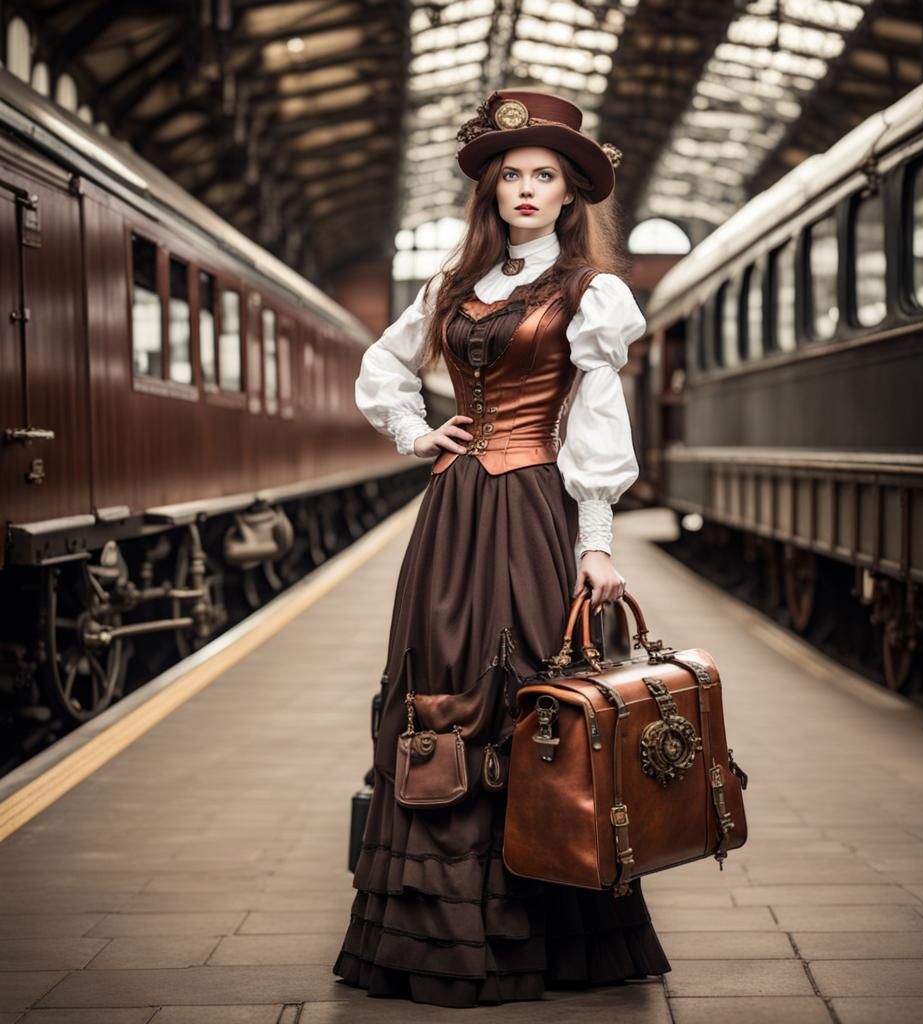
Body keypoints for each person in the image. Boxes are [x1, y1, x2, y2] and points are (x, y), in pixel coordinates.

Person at [333, 88, 670, 1007]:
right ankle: (437, 932)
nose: (526, 189)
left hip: (532, 507)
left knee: (531, 687)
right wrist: (417, 433)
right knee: (436, 686)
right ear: (491, 193)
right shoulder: (449, 286)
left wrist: (595, 542)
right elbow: (382, 367)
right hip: (451, 517)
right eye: (511, 175)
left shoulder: (590, 293)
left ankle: (544, 927)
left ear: (570, 196)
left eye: (544, 177)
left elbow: (598, 418)